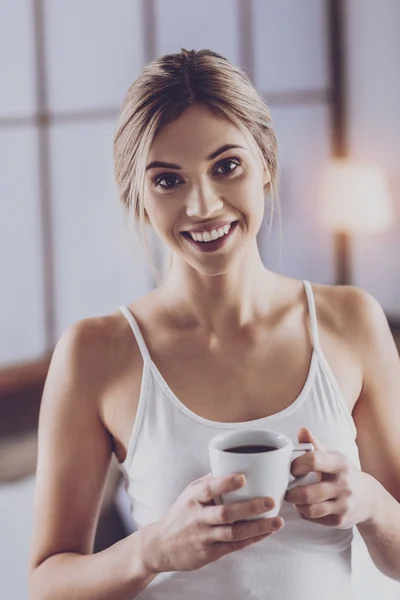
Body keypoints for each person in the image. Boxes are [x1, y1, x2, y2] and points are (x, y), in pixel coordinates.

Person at [29, 49, 400, 600]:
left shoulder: (352, 321)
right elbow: (46, 583)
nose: (203, 205)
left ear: (266, 164)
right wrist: (153, 548)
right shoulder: (95, 353)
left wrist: (368, 501)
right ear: (139, 200)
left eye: (226, 167)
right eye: (168, 180)